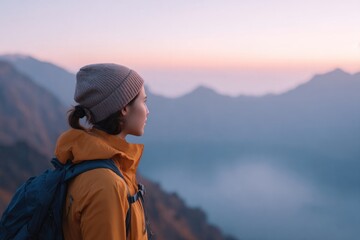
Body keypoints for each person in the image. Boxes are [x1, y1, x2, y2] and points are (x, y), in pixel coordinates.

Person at [54, 63, 151, 240]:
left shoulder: (101, 162)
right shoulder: (105, 184)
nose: (148, 111)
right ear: (123, 108)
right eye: (144, 102)